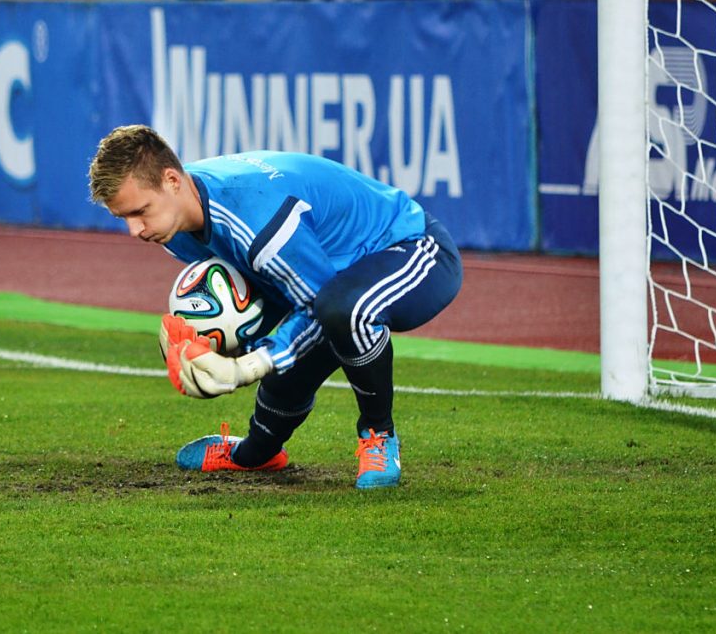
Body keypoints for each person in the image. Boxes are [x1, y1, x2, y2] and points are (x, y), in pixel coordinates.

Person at [87, 125, 462, 489]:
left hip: (411, 247)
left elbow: (315, 307)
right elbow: (267, 293)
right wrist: (199, 339)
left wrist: (245, 366)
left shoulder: (256, 221)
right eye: (125, 218)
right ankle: (256, 453)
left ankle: (379, 435)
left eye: (141, 212)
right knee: (298, 352)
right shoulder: (179, 221)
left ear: (171, 180)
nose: (135, 230)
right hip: (333, 275)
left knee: (344, 312)